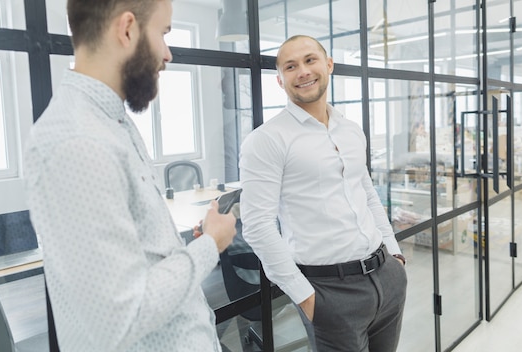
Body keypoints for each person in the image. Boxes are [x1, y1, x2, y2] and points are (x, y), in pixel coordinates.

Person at [23, 0, 237, 351]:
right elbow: (120, 317)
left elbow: (135, 260)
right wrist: (209, 244)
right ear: (127, 29)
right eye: (163, 34)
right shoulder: (77, 141)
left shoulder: (110, 122)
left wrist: (181, 249)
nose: (167, 54)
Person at [239, 35, 408, 352]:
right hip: (329, 292)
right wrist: (306, 297)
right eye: (291, 66)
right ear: (280, 79)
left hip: (386, 275)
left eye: (310, 60)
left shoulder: (351, 129)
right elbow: (257, 225)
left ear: (328, 64)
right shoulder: (267, 140)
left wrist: (394, 256)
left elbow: (367, 195)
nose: (302, 71)